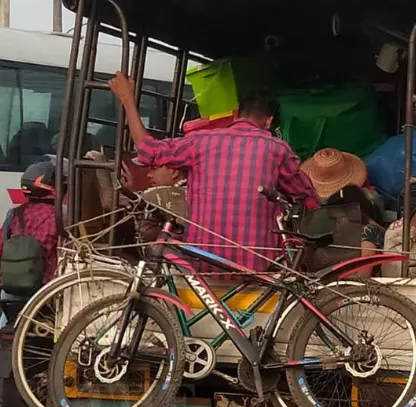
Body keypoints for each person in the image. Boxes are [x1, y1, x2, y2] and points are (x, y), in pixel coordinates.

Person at [108, 72, 319, 275]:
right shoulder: (278, 149)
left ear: (237, 115)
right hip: (256, 269)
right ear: (268, 122)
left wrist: (127, 100)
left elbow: (147, 150)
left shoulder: (201, 141)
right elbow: (308, 198)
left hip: (203, 264)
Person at [0, 160, 60, 324]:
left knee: (5, 321)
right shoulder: (60, 217)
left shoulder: (14, 213)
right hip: (45, 292)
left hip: (10, 291)